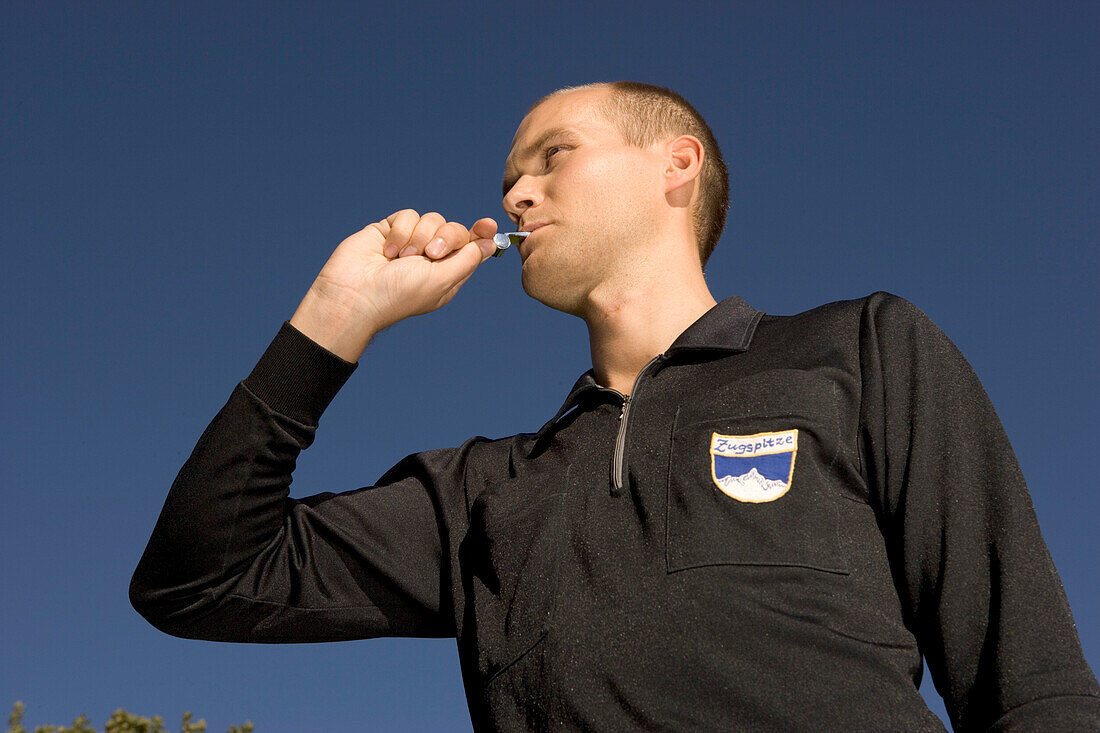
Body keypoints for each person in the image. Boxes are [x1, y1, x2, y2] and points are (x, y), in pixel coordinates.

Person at [131, 82, 1099, 731]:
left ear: (676, 167)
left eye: (551, 156)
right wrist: (333, 316)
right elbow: (200, 577)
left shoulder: (861, 353)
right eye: (509, 175)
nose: (515, 191)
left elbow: (1034, 688)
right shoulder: (479, 495)